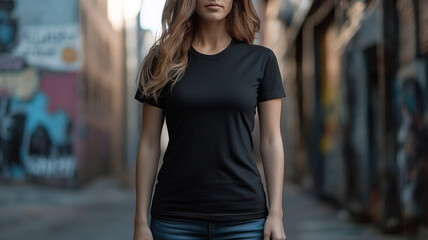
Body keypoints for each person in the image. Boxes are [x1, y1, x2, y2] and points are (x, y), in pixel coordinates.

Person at [133, 0, 287, 239]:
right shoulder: (162, 60)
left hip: (244, 220)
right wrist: (140, 221)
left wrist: (276, 214)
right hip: (174, 220)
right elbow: (149, 143)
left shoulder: (261, 60)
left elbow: (271, 140)